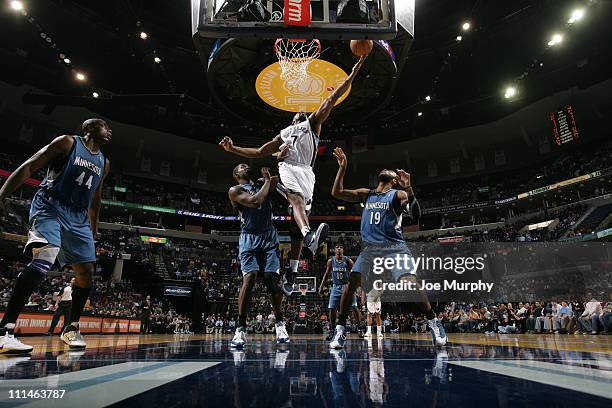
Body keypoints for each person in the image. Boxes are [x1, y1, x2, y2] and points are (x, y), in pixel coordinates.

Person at [219, 56, 368, 295]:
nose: (300, 112)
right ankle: (310, 236)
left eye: (303, 112)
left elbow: (331, 98)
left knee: (295, 228)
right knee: (294, 200)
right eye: (296, 113)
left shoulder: (313, 123)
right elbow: (258, 152)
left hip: (306, 173)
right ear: (291, 119)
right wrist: (233, 148)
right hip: (287, 169)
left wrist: (352, 74)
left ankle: (293, 272)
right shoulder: (285, 134)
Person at [0, 118, 111, 353]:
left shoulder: (104, 162)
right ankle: (5, 330)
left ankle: (71, 328)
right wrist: (2, 194)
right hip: (51, 206)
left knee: (86, 273)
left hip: (79, 217)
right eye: (104, 126)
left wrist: (94, 225)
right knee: (45, 258)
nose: (109, 130)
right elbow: (30, 165)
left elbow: (96, 196)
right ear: (90, 128)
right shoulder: (67, 143)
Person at [327, 147, 447, 349]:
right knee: (351, 283)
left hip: (394, 247)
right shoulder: (368, 194)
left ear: (394, 180)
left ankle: (433, 321)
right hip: (370, 249)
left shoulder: (397, 193)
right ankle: (340, 329)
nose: (388, 170)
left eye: (392, 172)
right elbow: (336, 192)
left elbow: (416, 216)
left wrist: (409, 188)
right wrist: (342, 168)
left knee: (410, 282)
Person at [227, 164, 289, 348]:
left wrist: (285, 157)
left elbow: (285, 176)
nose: (245, 165)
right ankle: (240, 328)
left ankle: (279, 324)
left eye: (246, 164)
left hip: (269, 236)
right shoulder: (235, 190)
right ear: (236, 174)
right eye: (241, 166)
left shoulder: (262, 182)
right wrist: (269, 182)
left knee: (271, 279)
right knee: (250, 277)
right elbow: (255, 202)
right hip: (249, 238)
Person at [318, 242, 363, 340]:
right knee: (332, 308)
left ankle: (360, 328)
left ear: (343, 250)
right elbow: (326, 274)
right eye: (337, 247)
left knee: (354, 307)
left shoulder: (348, 261)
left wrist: (356, 287)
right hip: (335, 287)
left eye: (341, 247)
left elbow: (356, 274)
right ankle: (332, 330)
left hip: (347, 286)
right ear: (334, 250)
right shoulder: (331, 261)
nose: (339, 249)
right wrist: (321, 286)